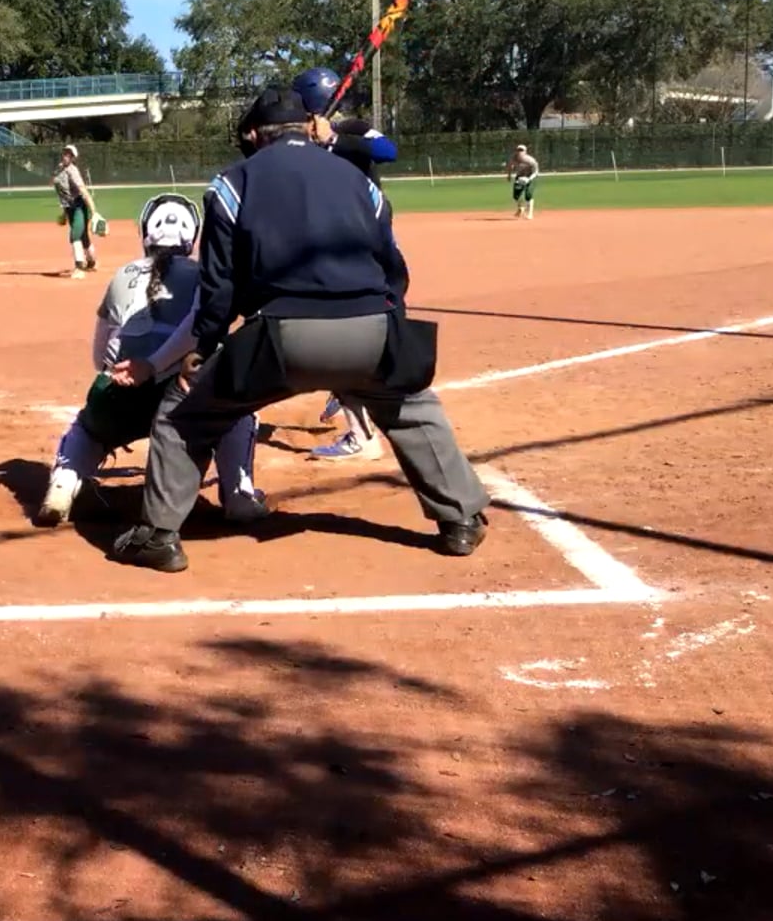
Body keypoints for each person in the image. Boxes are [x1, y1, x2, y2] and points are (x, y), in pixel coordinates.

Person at [108, 88, 492, 574]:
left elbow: (219, 287)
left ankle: (159, 535)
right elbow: (394, 268)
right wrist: (389, 327)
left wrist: (203, 346)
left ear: (253, 134)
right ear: (307, 128)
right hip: (371, 330)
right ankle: (460, 520)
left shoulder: (231, 182)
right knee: (410, 405)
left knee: (186, 411)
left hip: (281, 337)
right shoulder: (357, 179)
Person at [34, 193, 266, 527]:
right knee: (240, 414)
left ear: (146, 233)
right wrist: (158, 365)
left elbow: (100, 357)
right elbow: (204, 334)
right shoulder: (206, 276)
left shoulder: (121, 275)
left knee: (86, 428)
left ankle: (63, 484)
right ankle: (239, 495)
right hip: (186, 403)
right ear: (191, 237)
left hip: (121, 397)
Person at [291, 66, 403, 462]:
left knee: (352, 323)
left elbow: (389, 151)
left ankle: (359, 408)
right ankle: (353, 387)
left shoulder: (353, 128)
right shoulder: (299, 143)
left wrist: (334, 139)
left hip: (366, 239)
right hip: (331, 242)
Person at [51, 144, 108, 279]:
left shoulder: (73, 171)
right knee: (83, 237)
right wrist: (64, 214)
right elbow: (62, 194)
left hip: (79, 207)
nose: (66, 155)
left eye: (69, 154)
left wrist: (94, 212)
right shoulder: (59, 169)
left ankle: (79, 268)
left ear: (73, 158)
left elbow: (83, 191)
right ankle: (92, 262)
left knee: (75, 235)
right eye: (65, 152)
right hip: (69, 208)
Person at [506, 144, 540, 219]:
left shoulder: (530, 160)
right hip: (520, 176)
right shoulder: (514, 158)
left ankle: (530, 214)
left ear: (525, 152)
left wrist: (529, 179)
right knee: (516, 196)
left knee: (528, 195)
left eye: (521, 150)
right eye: (518, 150)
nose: (519, 152)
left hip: (531, 177)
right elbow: (510, 166)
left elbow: (536, 172)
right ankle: (521, 208)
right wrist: (509, 175)